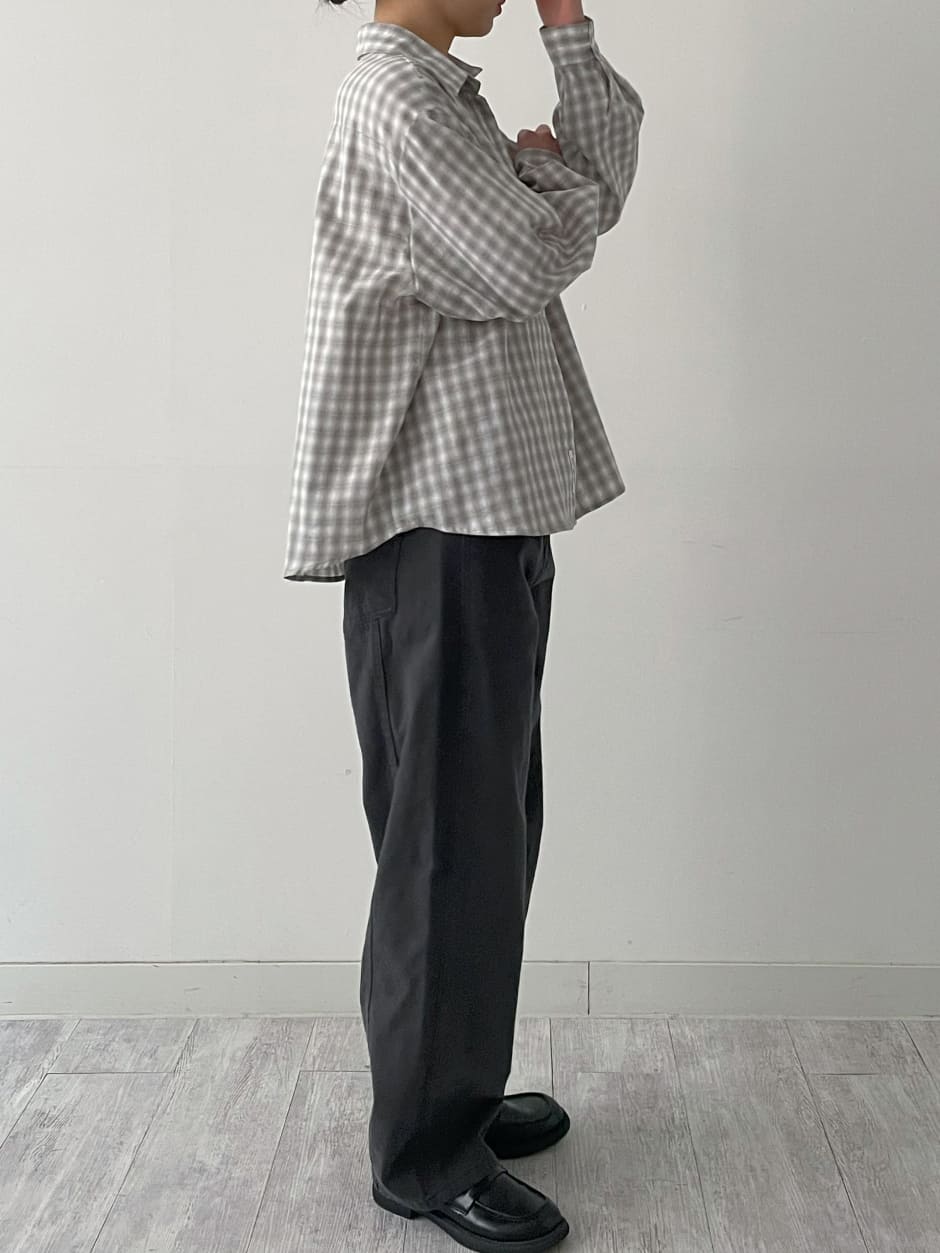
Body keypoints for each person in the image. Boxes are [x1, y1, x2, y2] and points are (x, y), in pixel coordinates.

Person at [283, 0, 644, 1248]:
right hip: (434, 520)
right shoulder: (398, 100)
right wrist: (545, 186)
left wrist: (567, 31)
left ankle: (458, 1095)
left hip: (486, 509)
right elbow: (524, 261)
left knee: (485, 831)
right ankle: (425, 1156)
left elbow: (598, 177)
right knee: (446, 846)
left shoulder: (444, 94)